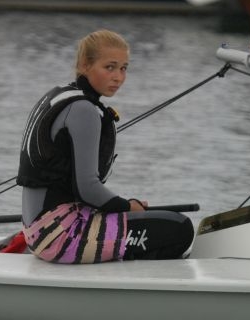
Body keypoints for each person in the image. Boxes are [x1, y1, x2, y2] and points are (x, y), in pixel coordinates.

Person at [16, 29, 194, 264]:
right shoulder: (84, 110)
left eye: (123, 68)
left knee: (161, 221)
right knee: (180, 228)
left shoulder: (60, 95)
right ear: (84, 65)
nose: (118, 77)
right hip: (61, 236)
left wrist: (126, 207)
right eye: (109, 67)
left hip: (37, 231)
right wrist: (128, 206)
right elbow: (87, 189)